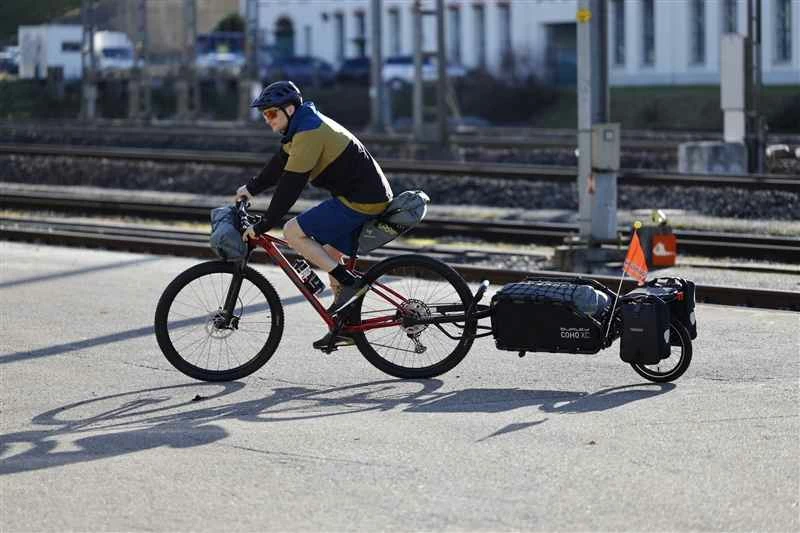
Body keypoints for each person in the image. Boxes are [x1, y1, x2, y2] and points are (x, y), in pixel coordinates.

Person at [235, 80, 393, 349]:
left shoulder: (309, 132)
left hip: (362, 201)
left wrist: (264, 225)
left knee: (292, 231)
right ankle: (347, 327)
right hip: (363, 197)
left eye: (271, 113)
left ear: (289, 109)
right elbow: (279, 164)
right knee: (329, 255)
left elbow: (290, 186)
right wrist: (251, 188)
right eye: (264, 115)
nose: (267, 120)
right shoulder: (302, 126)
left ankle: (351, 284)